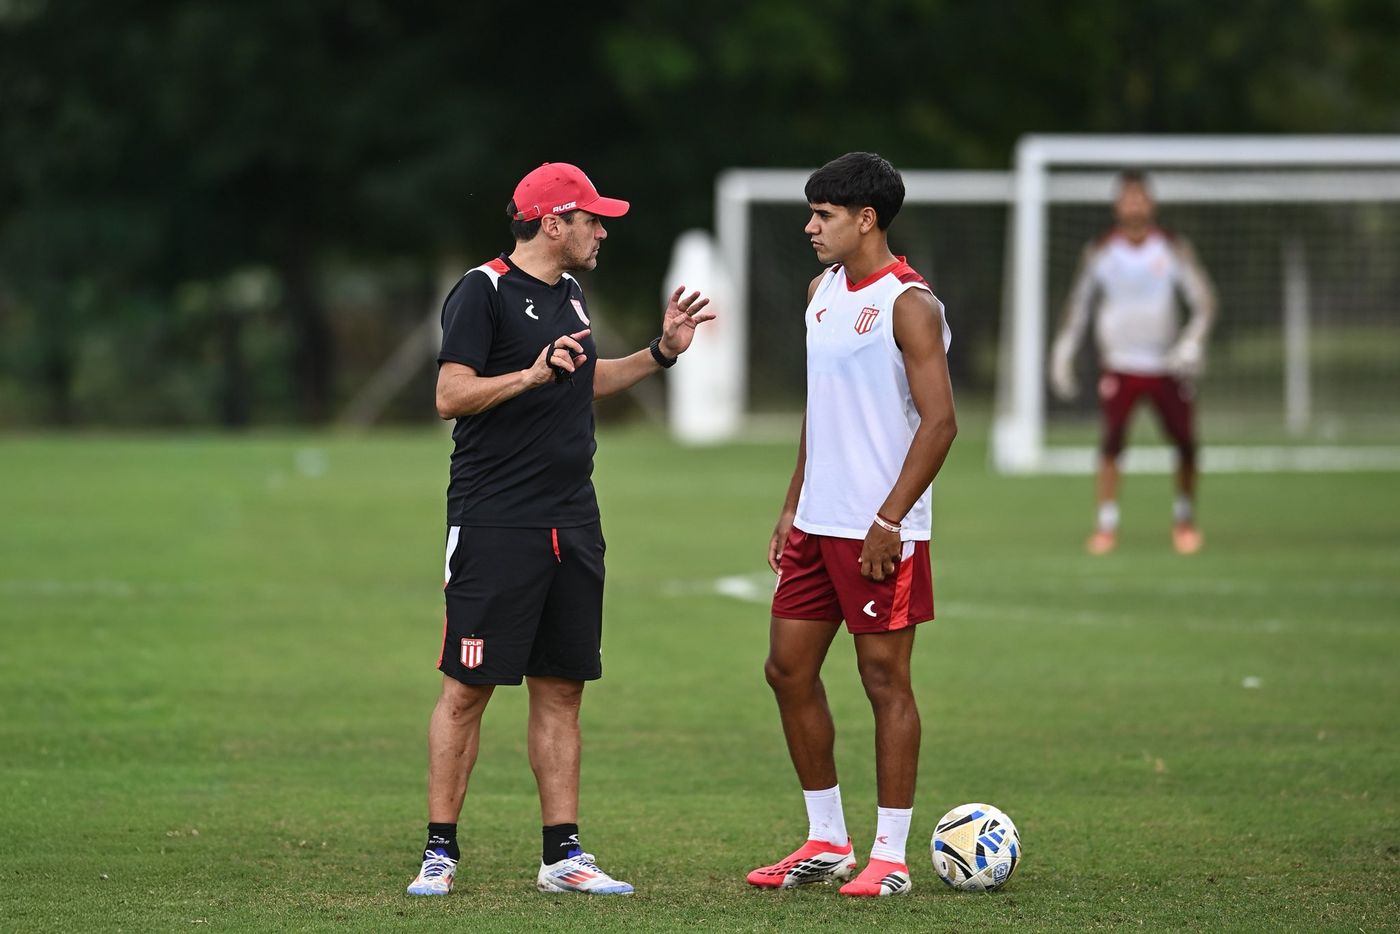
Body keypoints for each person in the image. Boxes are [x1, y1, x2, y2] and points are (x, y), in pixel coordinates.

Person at [406, 162, 714, 897]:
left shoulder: (571, 292)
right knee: (468, 686)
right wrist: (529, 376)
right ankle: (440, 852)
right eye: (592, 219)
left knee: (562, 688)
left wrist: (661, 352)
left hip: (572, 519)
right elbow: (450, 394)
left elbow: (585, 375)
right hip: (495, 521)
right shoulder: (481, 291)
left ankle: (562, 856)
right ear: (554, 223)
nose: (602, 230)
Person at [747, 152, 957, 898]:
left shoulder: (910, 304)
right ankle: (827, 839)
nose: (810, 227)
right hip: (816, 523)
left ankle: (890, 857)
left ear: (866, 219)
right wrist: (791, 502)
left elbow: (941, 424)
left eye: (823, 215)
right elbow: (821, 408)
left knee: (883, 680)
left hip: (880, 531)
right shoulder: (820, 291)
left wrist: (889, 518)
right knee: (786, 671)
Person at [1049, 169, 1218, 556]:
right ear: (1117, 203)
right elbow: (1079, 307)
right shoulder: (1101, 251)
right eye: (1128, 197)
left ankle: (1185, 518)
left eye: (1141, 197)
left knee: (1186, 443)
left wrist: (1192, 342)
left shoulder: (1172, 248)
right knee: (1111, 444)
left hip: (1167, 365)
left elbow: (1205, 302)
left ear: (1152, 202)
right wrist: (1063, 351)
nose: (1135, 204)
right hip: (1120, 364)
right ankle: (1106, 525)